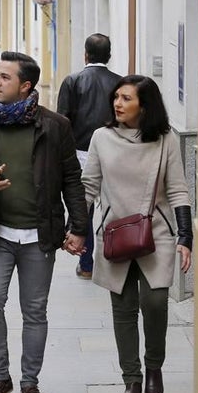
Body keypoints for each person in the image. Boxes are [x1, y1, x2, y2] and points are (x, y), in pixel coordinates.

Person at [0, 51, 88, 393]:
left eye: (4, 77)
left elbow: (72, 179)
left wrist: (79, 228)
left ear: (25, 85)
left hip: (39, 236)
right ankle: (0, 377)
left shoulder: (55, 125)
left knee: (35, 311)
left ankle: (30, 384)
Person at [81, 75, 193, 393]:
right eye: (116, 97)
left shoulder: (165, 140)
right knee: (123, 306)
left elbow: (177, 189)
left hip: (155, 231)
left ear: (144, 106)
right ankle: (131, 378)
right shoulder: (101, 137)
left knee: (156, 303)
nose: (118, 103)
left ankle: (154, 366)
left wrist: (185, 236)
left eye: (126, 98)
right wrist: (75, 229)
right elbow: (89, 186)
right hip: (116, 231)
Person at [56, 33, 122, 279]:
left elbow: (62, 121)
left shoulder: (73, 81)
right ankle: (116, 257)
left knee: (83, 208)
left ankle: (86, 264)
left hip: (80, 154)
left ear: (85, 54)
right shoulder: (120, 83)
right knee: (113, 207)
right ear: (109, 56)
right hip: (115, 152)